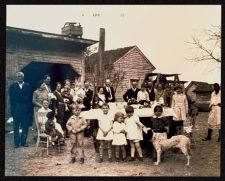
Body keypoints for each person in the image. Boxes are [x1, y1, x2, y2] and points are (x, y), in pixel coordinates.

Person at [9, 72, 32, 148]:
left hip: (25, 107)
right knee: (16, 126)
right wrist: (13, 110)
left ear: (23, 77)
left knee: (25, 125)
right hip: (16, 107)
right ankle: (16, 142)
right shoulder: (12, 86)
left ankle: (23, 142)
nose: (20, 77)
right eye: (19, 76)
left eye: (21, 76)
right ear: (17, 77)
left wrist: (29, 110)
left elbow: (29, 99)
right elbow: (11, 99)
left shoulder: (27, 86)